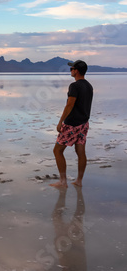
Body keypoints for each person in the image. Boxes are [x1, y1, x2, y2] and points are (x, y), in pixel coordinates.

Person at [50, 60, 93, 188]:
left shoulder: (74, 86)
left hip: (72, 124)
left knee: (57, 151)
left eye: (72, 69)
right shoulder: (89, 86)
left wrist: (60, 122)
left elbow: (69, 105)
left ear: (76, 71)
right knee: (80, 152)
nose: (70, 71)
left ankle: (63, 182)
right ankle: (79, 181)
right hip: (84, 124)